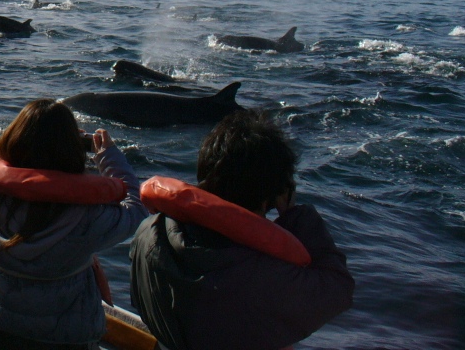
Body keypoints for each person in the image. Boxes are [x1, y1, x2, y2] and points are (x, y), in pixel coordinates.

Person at [130, 109, 355, 350]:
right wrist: (293, 216)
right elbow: (338, 287)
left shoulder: (148, 233)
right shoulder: (265, 279)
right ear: (273, 195)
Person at [0, 99, 148, 350]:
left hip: (0, 325)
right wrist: (110, 159)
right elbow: (135, 209)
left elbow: (23, 183)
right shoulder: (88, 218)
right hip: (63, 336)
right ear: (72, 151)